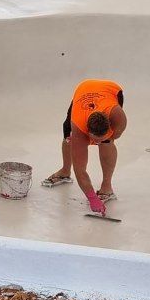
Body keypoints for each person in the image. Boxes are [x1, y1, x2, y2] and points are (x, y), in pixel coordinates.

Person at [41, 79, 128, 215]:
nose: (96, 143)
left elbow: (115, 136)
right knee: (68, 138)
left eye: (100, 139)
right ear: (87, 132)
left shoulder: (118, 117)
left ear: (110, 126)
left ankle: (107, 187)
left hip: (110, 89)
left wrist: (105, 140)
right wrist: (92, 198)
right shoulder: (78, 130)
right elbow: (80, 171)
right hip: (84, 89)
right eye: (94, 140)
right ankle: (65, 171)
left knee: (108, 144)